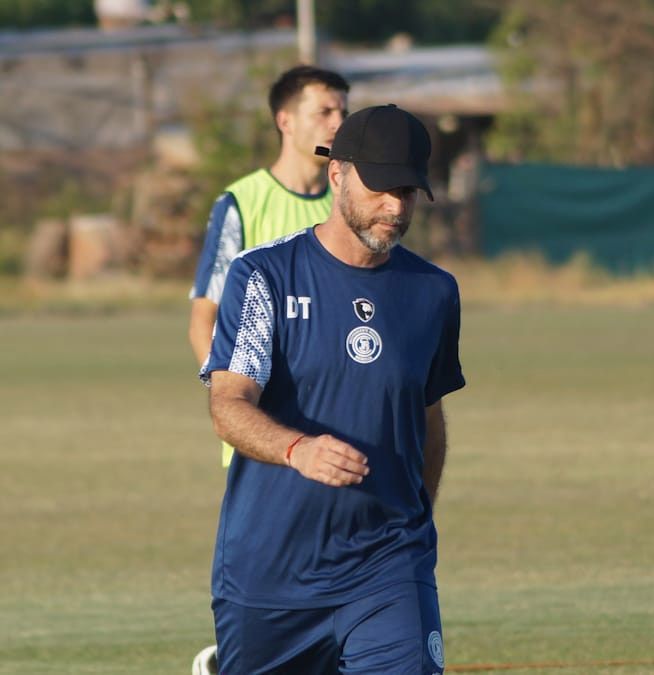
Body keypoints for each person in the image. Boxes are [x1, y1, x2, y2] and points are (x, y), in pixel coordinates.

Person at [199, 104, 463, 673]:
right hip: (268, 575)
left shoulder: (434, 292)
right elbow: (228, 405)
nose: (395, 206)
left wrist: (416, 517)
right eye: (380, 188)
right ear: (338, 174)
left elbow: (428, 416)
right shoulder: (263, 277)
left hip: (389, 566)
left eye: (409, 191)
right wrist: (298, 449)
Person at [186, 65, 349, 675]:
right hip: (263, 438)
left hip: (341, 425)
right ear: (286, 120)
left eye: (342, 112)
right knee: (268, 582)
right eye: (324, 112)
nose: (337, 122)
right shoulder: (243, 202)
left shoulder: (352, 200)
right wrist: (232, 397)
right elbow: (203, 317)